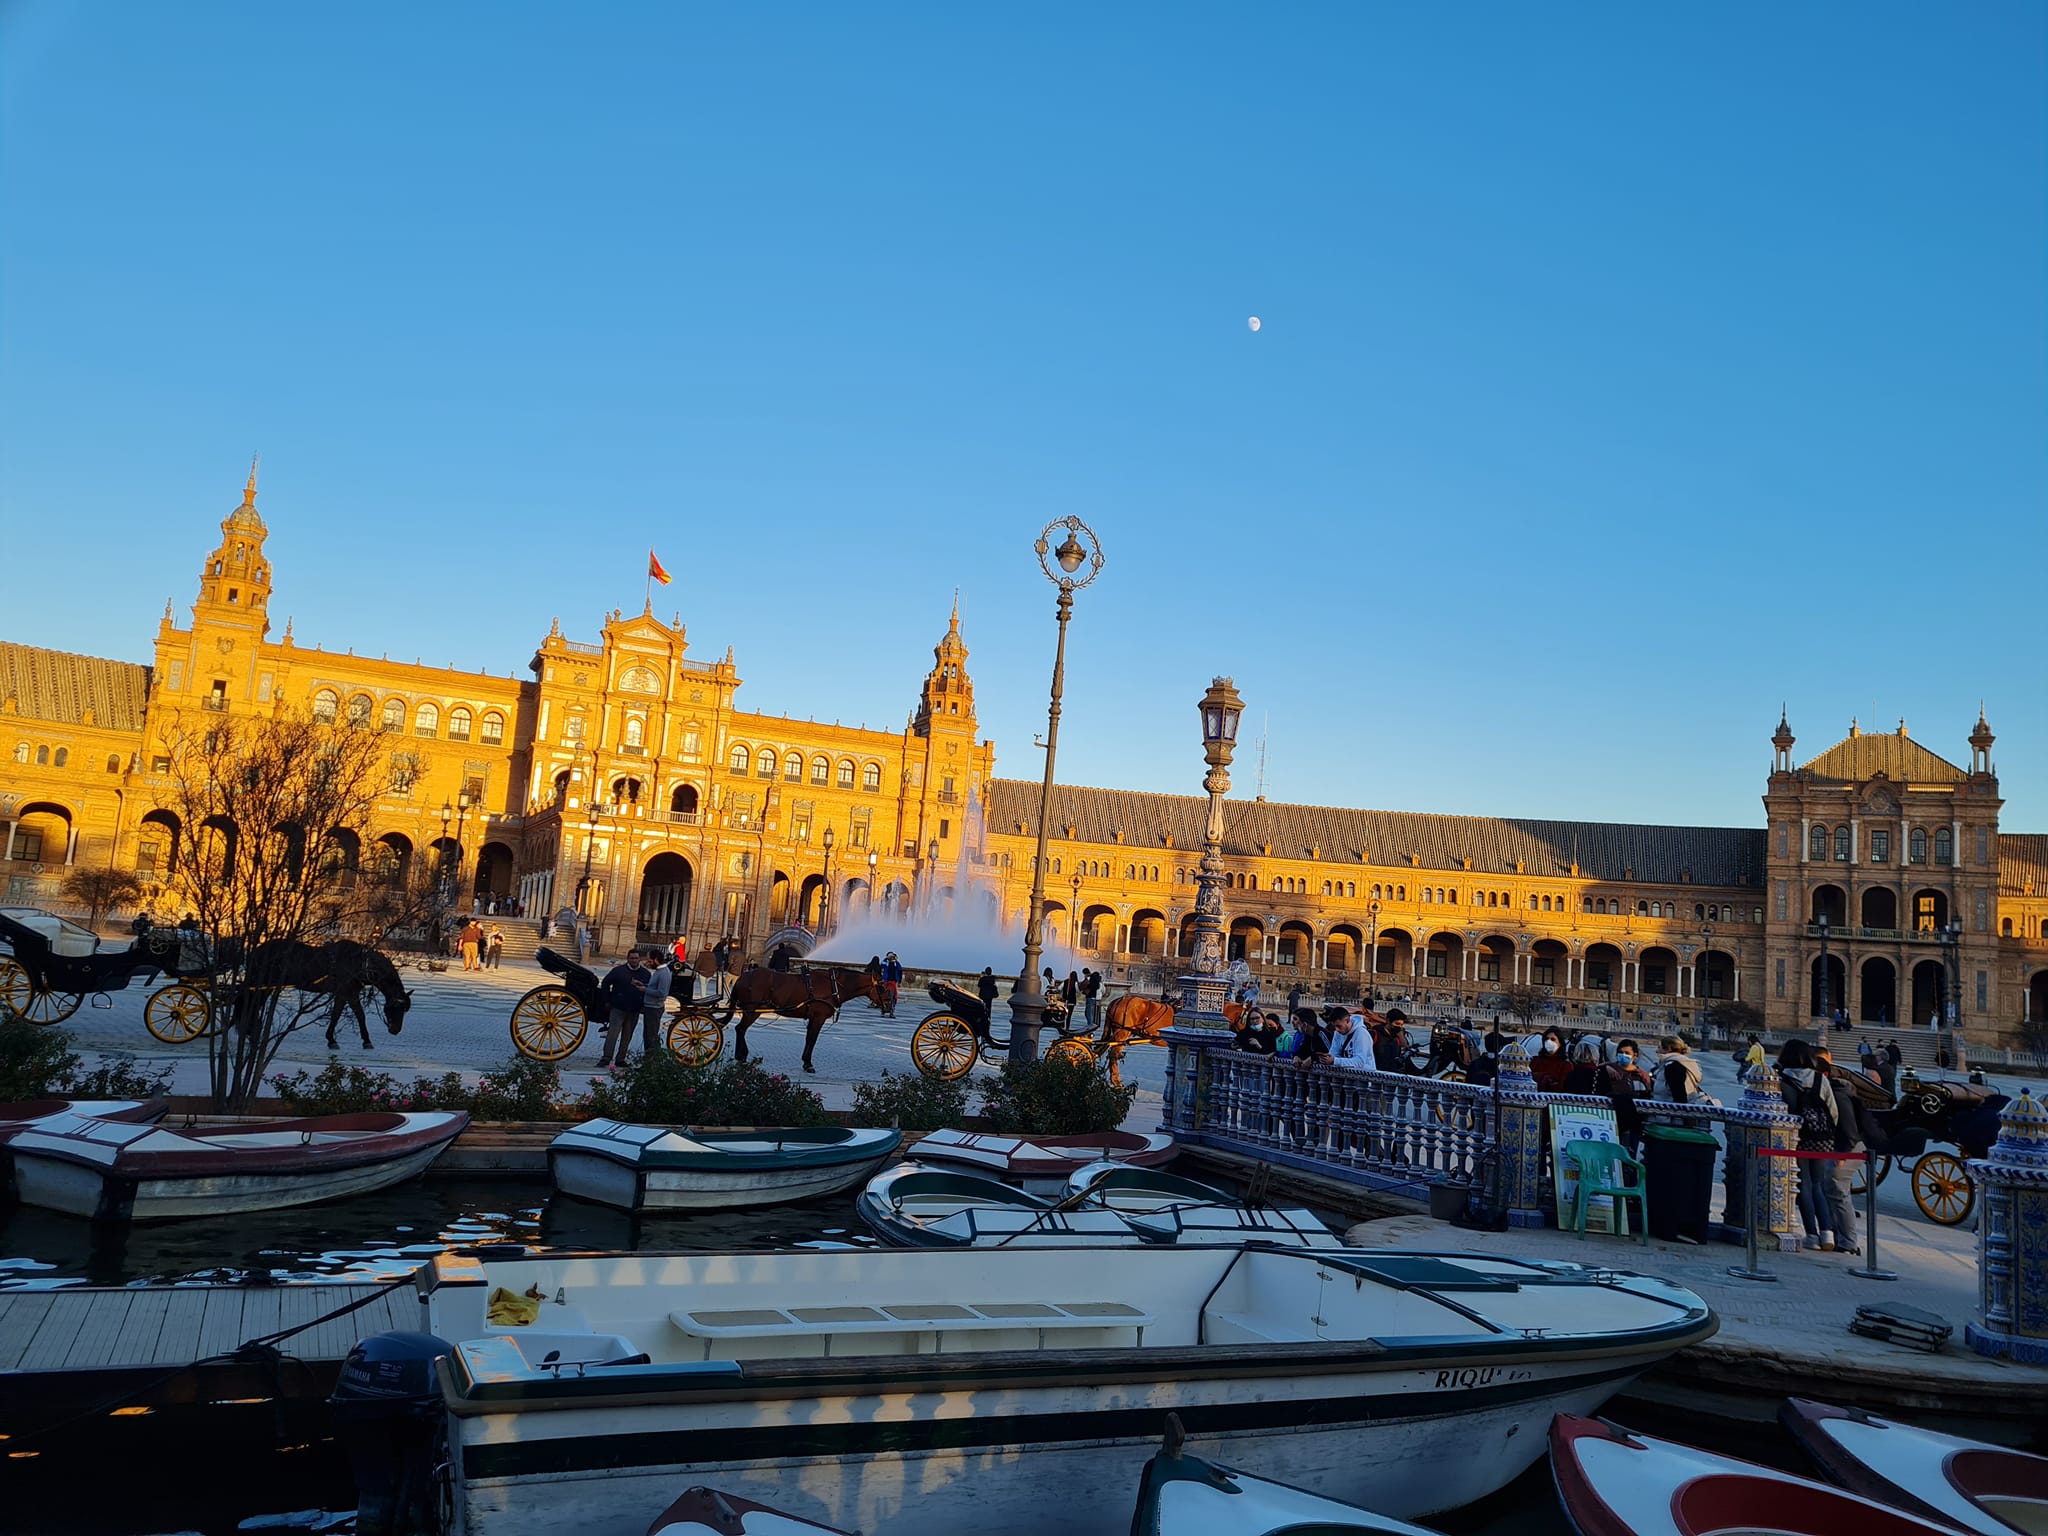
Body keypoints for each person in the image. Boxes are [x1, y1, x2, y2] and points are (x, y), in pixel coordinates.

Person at [1777, 1038, 1839, 1251]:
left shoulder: (1782, 1078)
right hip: (1821, 1139)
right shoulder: (1820, 1079)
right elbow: (1833, 1111)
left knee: (1803, 1185)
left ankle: (1812, 1235)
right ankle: (1827, 1233)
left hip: (1798, 1138)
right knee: (1817, 1184)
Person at [1813, 1042, 1874, 1256]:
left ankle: (1848, 1242)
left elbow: (1849, 1129)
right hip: (1842, 1146)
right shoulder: (1830, 1088)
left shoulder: (1838, 1092)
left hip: (1850, 1146)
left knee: (1837, 1187)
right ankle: (1839, 1236)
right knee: (1829, 1187)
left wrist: (1841, 1153)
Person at [597, 948, 651, 1070]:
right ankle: (606, 1057)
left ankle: (620, 1059)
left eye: (636, 958)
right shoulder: (618, 971)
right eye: (632, 958)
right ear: (628, 959)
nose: (634, 960)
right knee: (612, 1034)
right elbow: (605, 983)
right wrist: (606, 1000)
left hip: (634, 1009)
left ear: (640, 959)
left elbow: (648, 989)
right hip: (618, 1008)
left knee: (627, 1036)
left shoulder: (645, 974)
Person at [638, 952, 673, 1064]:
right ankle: (651, 1060)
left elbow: (662, 993)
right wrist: (644, 985)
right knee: (648, 1035)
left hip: (654, 1007)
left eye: (650, 961)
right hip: (650, 1006)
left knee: (651, 1036)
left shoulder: (663, 973)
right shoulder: (659, 971)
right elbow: (654, 987)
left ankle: (650, 1062)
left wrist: (645, 990)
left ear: (656, 959)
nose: (648, 963)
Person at [1653, 1035, 1709, 1103]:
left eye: (1659, 1047)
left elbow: (1679, 1095)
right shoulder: (1684, 1063)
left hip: (1669, 1106)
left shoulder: (1672, 1066)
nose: (1657, 1051)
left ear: (1668, 1048)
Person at [1529, 1027, 1570, 1092]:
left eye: (1553, 1039)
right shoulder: (1534, 1061)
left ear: (1560, 1043)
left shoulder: (1566, 1066)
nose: (1549, 1042)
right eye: (1546, 1039)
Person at [881, 952, 903, 1017]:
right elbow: (881, 965)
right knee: (884, 996)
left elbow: (900, 970)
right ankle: (883, 1010)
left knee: (894, 997)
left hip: (893, 981)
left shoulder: (896, 964)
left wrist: (896, 960)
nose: (891, 957)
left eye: (892, 956)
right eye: (890, 956)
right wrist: (886, 958)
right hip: (886, 981)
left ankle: (892, 1011)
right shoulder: (886, 962)